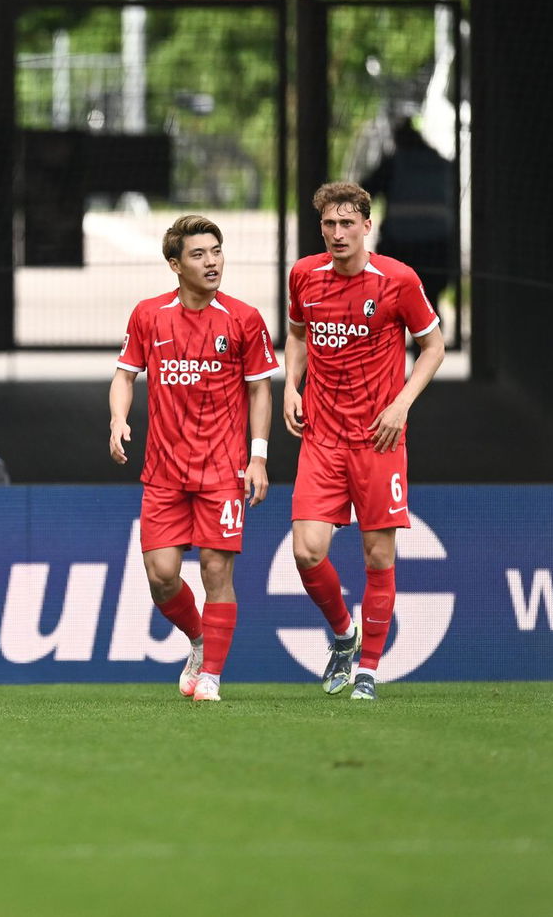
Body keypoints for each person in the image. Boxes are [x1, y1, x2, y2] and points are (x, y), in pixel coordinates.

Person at [284, 181, 444, 702]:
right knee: (307, 552)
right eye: (328, 224)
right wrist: (291, 383)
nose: (336, 233)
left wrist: (401, 405)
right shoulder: (305, 276)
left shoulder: (397, 280)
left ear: (366, 226)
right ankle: (342, 634)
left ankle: (369, 670)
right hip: (322, 438)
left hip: (378, 439)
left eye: (346, 223)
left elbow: (434, 346)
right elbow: (298, 333)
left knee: (378, 556)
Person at [108, 215, 277, 702]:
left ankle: (212, 677)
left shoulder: (243, 319)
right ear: (174, 265)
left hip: (223, 471)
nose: (212, 262)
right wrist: (119, 421)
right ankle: (200, 642)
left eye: (216, 251)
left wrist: (258, 457)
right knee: (162, 577)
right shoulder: (149, 315)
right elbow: (124, 376)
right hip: (163, 473)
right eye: (199, 255)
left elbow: (260, 391)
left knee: (215, 571)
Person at [362, 117, 456, 311]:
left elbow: (366, 189)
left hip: (401, 245)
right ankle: (429, 337)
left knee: (395, 300)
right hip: (438, 246)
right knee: (430, 301)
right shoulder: (441, 164)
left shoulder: (395, 164)